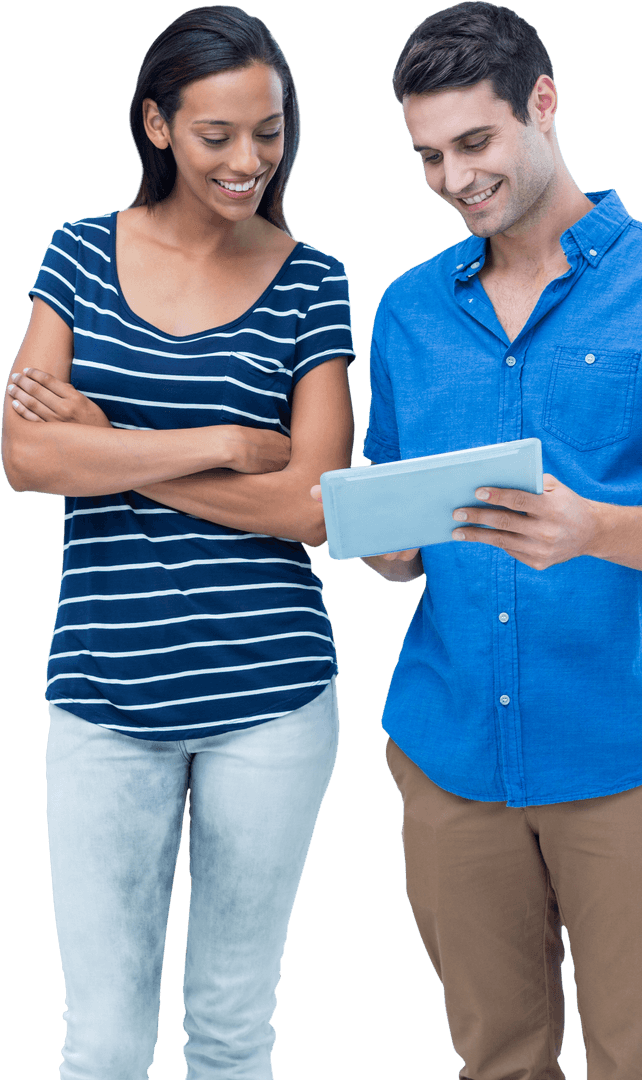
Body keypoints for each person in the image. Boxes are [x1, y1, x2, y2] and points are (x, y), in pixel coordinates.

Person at [359, 4, 642, 1079]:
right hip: (449, 760)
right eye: (429, 156)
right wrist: (392, 548)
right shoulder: (409, 311)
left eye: (474, 143)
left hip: (624, 761)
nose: (453, 178)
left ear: (540, 104)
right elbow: (396, 503)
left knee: (640, 1060)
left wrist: (594, 527)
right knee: (496, 1060)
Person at [1, 6, 354, 1079]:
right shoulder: (76, 254)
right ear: (157, 125)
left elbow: (314, 506)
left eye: (269, 132)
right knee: (102, 1040)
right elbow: (26, 460)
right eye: (217, 136)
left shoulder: (312, 281)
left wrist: (112, 441)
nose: (248, 160)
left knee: (232, 1030)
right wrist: (212, 444)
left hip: (273, 699)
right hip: (105, 696)